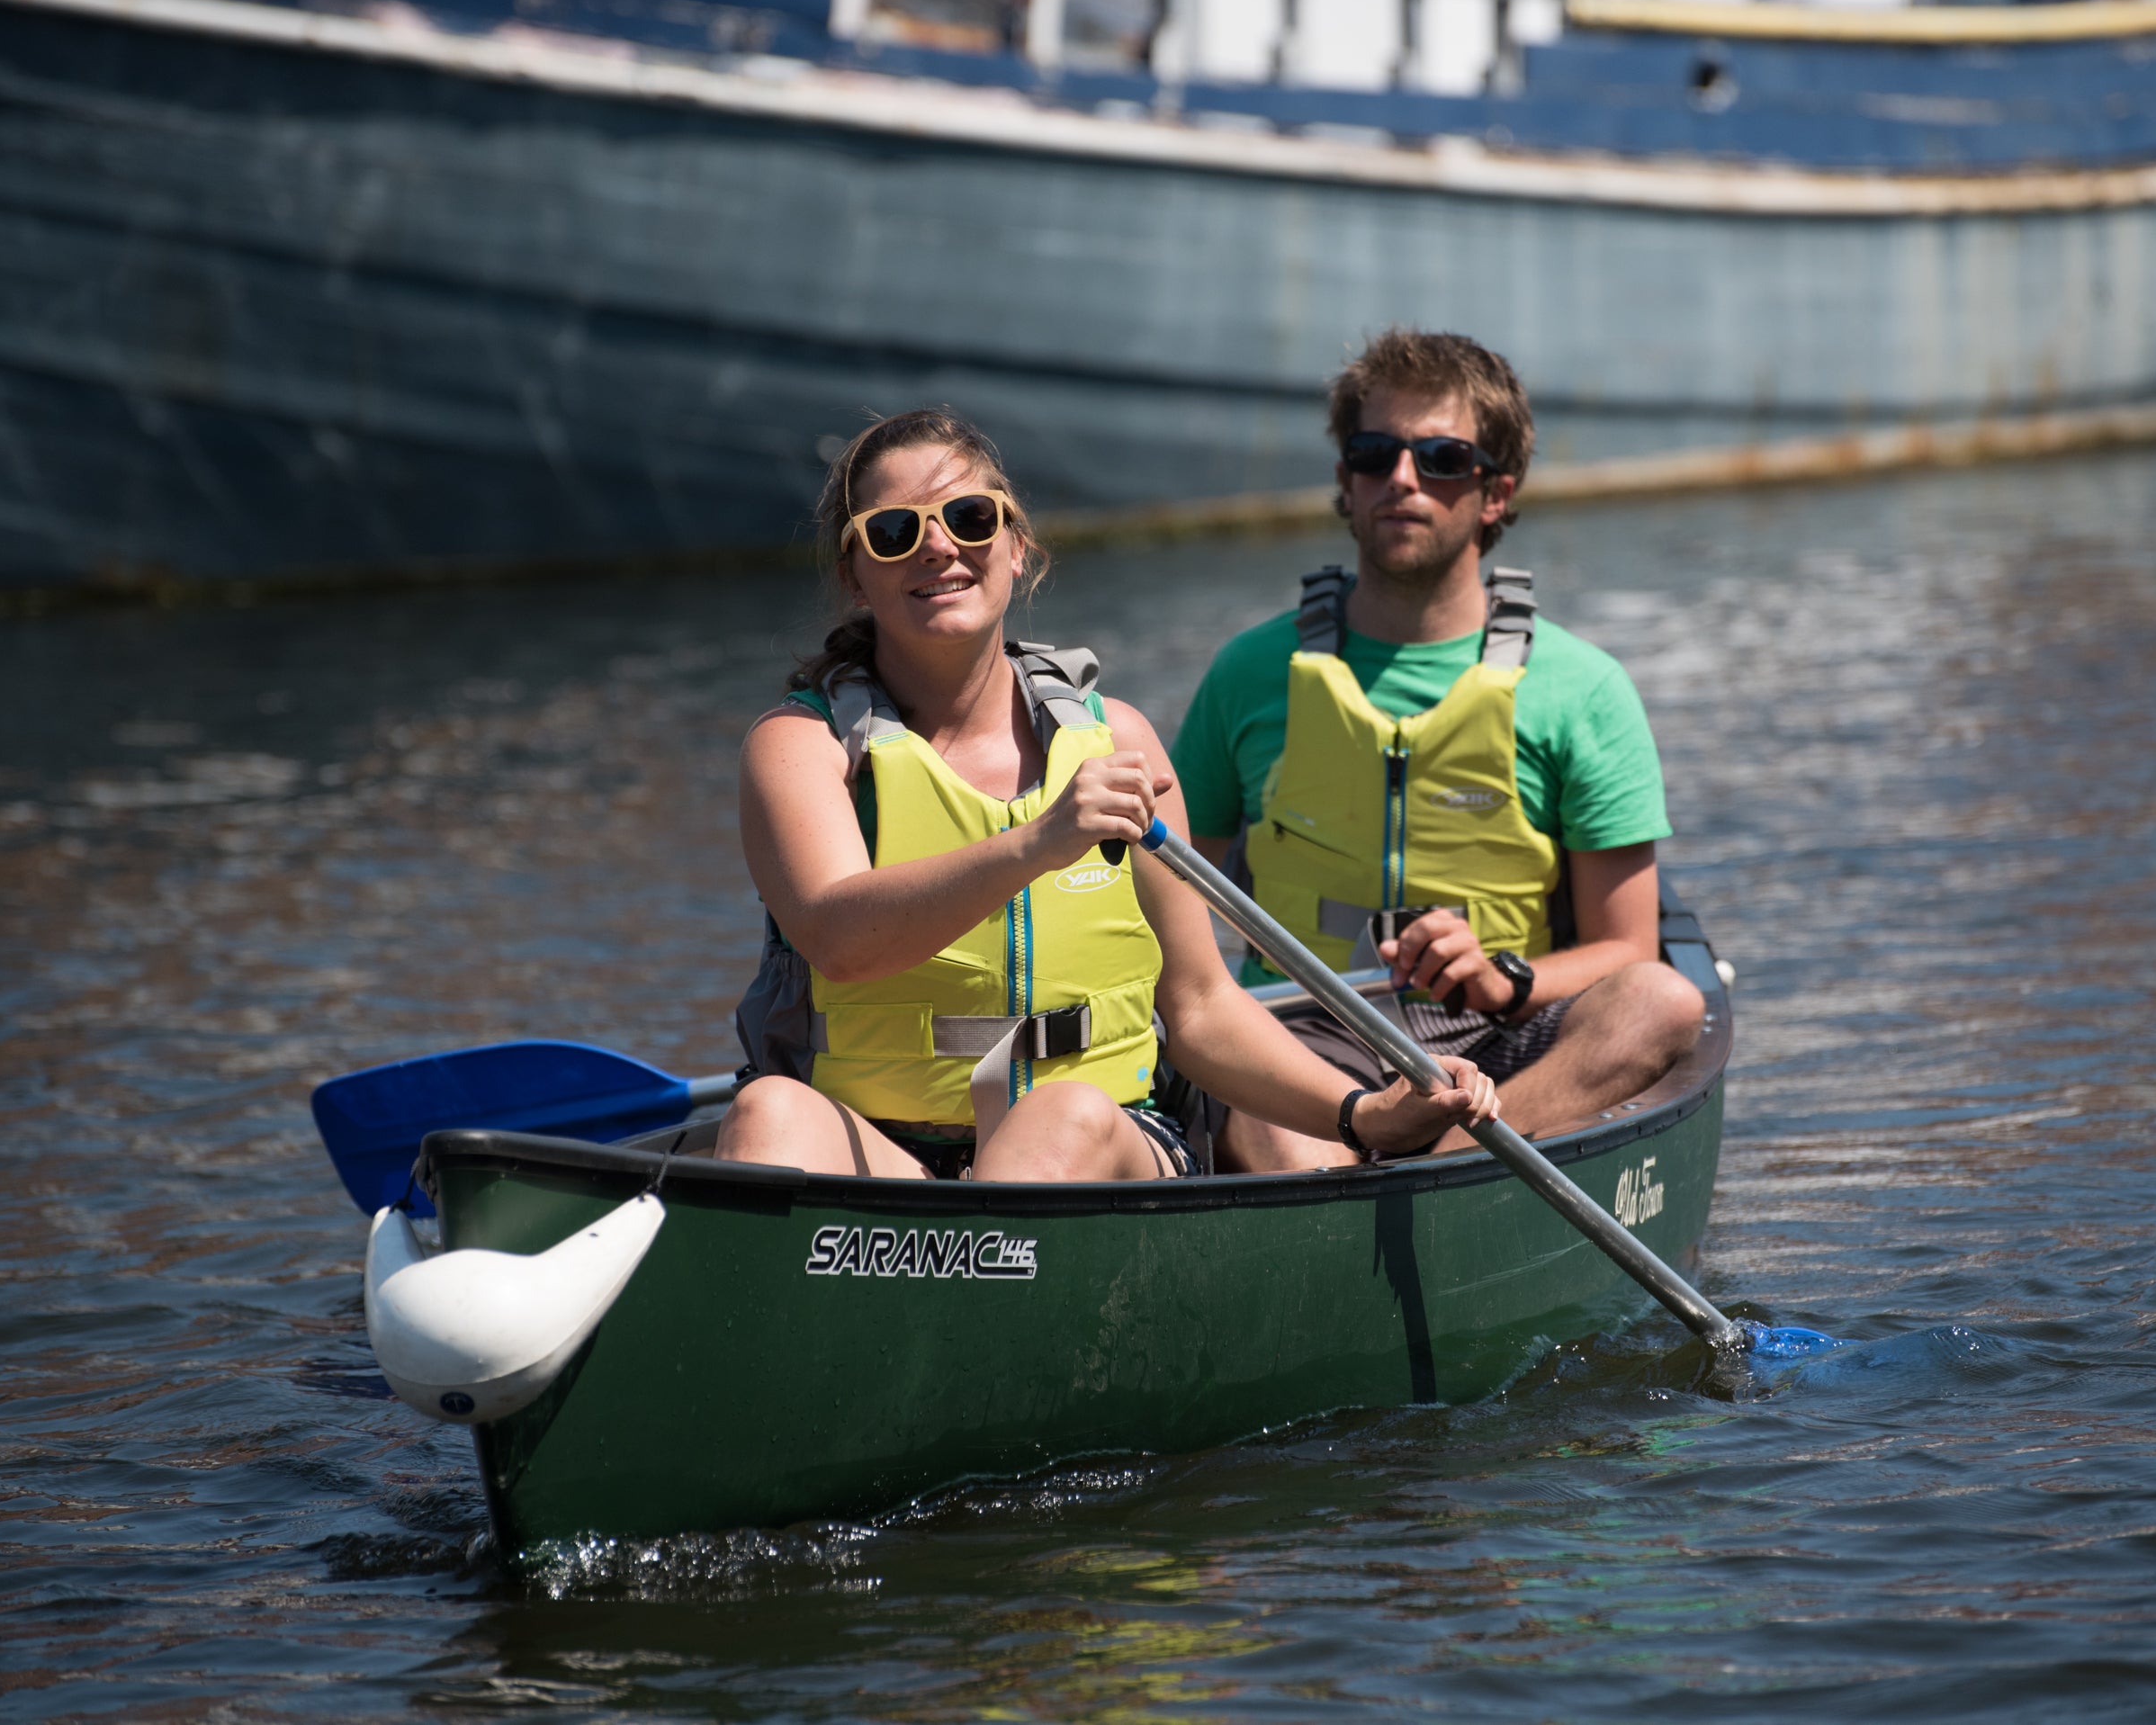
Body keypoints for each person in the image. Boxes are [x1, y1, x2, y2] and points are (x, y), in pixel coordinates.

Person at [715, 408, 1499, 1181]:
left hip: (1110, 1139)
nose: (939, 546)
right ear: (856, 576)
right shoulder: (802, 745)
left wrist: (1361, 1112)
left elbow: (1198, 1006)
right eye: (894, 532)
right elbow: (841, 943)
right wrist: (1037, 842)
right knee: (767, 1111)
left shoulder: (1119, 741)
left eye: (969, 517)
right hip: (889, 1150)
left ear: (1017, 549)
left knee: (1061, 1117)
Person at [1172, 331, 1708, 1172]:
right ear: (1346, 483)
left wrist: (1509, 981)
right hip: (1308, 1030)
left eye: (1443, 458)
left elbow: (1627, 948)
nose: (1403, 479)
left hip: (1502, 1034)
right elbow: (1166, 904)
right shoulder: (1247, 674)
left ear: (1495, 492)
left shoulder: (1584, 690)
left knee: (1664, 1001)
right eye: (1375, 454)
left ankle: (1441, 1166)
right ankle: (1361, 1173)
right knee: (1269, 1133)